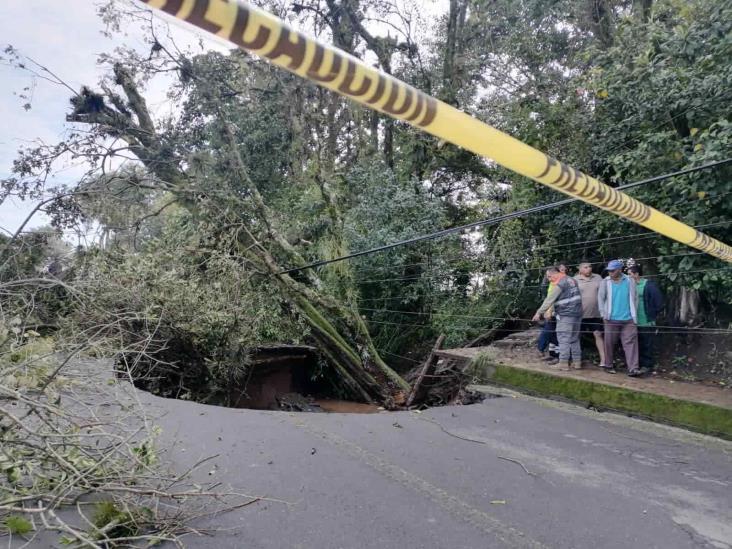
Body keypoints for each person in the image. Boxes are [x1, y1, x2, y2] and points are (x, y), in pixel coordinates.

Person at [532, 266, 583, 371]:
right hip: (577, 314)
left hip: (566, 314)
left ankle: (563, 363)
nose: (549, 279)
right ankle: (577, 362)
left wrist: (538, 313)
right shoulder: (572, 279)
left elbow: (549, 299)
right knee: (574, 338)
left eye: (549, 277)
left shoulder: (560, 283)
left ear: (555, 274)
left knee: (563, 338)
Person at [598, 259, 640, 376]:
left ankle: (633, 369)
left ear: (619, 270)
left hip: (628, 318)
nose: (610, 273)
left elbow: (635, 297)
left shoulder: (629, 280)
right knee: (609, 343)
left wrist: (634, 313)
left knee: (631, 343)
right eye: (609, 271)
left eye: (613, 271)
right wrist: (603, 314)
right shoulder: (605, 282)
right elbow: (601, 298)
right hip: (610, 318)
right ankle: (608, 365)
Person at [628, 264, 664, 373]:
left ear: (637, 274)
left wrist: (653, 314)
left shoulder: (648, 285)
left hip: (645, 320)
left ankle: (647, 365)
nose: (628, 277)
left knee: (646, 343)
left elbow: (659, 302)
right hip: (633, 320)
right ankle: (635, 364)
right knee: (635, 343)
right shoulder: (630, 286)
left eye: (630, 274)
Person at [574, 261, 605, 367]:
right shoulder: (575, 279)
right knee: (576, 336)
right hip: (580, 314)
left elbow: (604, 293)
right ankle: (577, 360)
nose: (589, 269)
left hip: (596, 313)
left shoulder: (598, 278)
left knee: (598, 334)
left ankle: (604, 360)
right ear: (580, 270)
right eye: (586, 267)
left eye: (590, 266)